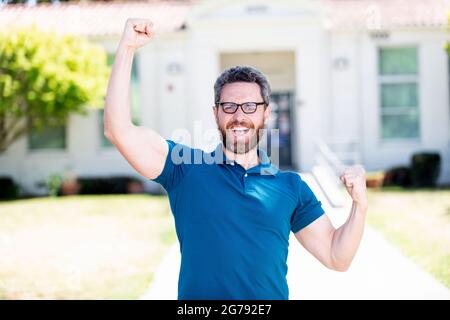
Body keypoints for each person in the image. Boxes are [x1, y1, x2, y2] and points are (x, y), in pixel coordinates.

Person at [104, 19, 368, 300]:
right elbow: (117, 130)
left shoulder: (291, 187)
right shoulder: (184, 168)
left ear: (266, 114)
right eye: (228, 106)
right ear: (215, 113)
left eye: (250, 106)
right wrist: (127, 48)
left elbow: (336, 257)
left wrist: (360, 205)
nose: (239, 115)